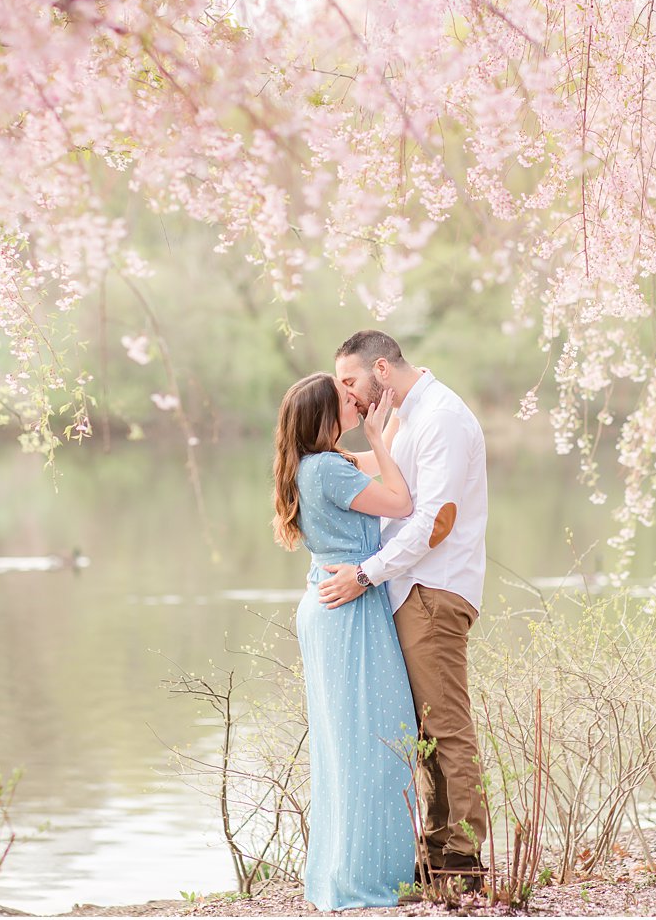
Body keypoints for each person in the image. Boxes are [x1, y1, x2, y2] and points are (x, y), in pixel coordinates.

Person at [319, 330, 490, 893]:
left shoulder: (441, 417)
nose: (347, 394)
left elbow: (434, 521)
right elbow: (385, 467)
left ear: (382, 371)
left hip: (432, 591)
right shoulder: (411, 417)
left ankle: (461, 863)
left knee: (445, 727)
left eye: (350, 382)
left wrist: (366, 573)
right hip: (410, 589)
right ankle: (436, 853)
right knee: (425, 730)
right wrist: (329, 457)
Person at [271, 371, 418, 911]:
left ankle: (349, 871)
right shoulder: (330, 470)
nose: (354, 400)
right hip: (348, 609)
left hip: (329, 605)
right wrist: (378, 436)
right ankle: (368, 881)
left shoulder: (317, 465)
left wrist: (392, 424)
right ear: (325, 416)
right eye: (345, 399)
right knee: (374, 744)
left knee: (349, 745)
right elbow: (402, 503)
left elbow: (382, 470)